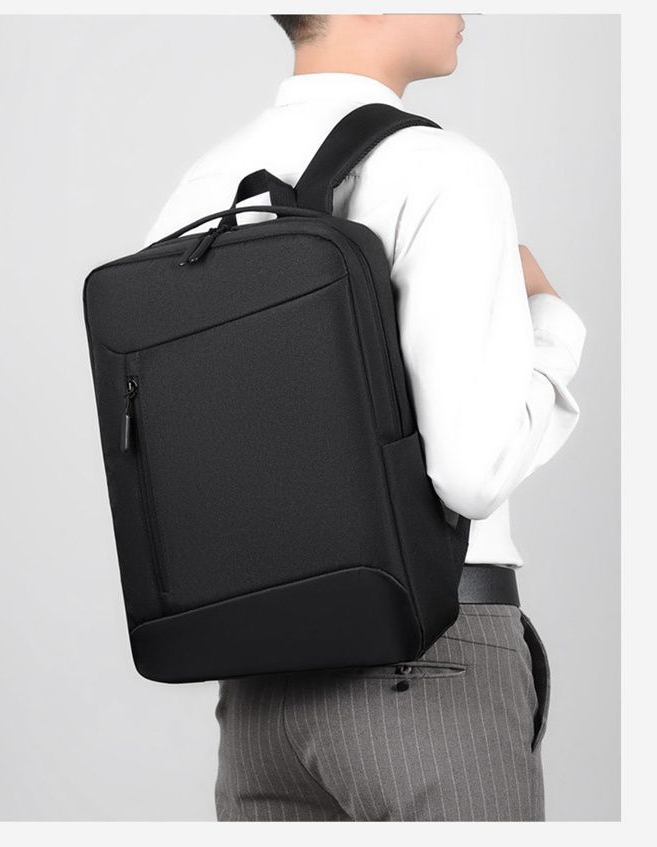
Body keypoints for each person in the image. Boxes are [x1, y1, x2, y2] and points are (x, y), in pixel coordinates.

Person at [145, 14, 587, 822]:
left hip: (257, 693)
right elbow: (471, 472)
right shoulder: (441, 169)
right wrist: (551, 323)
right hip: (425, 661)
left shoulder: (201, 188)